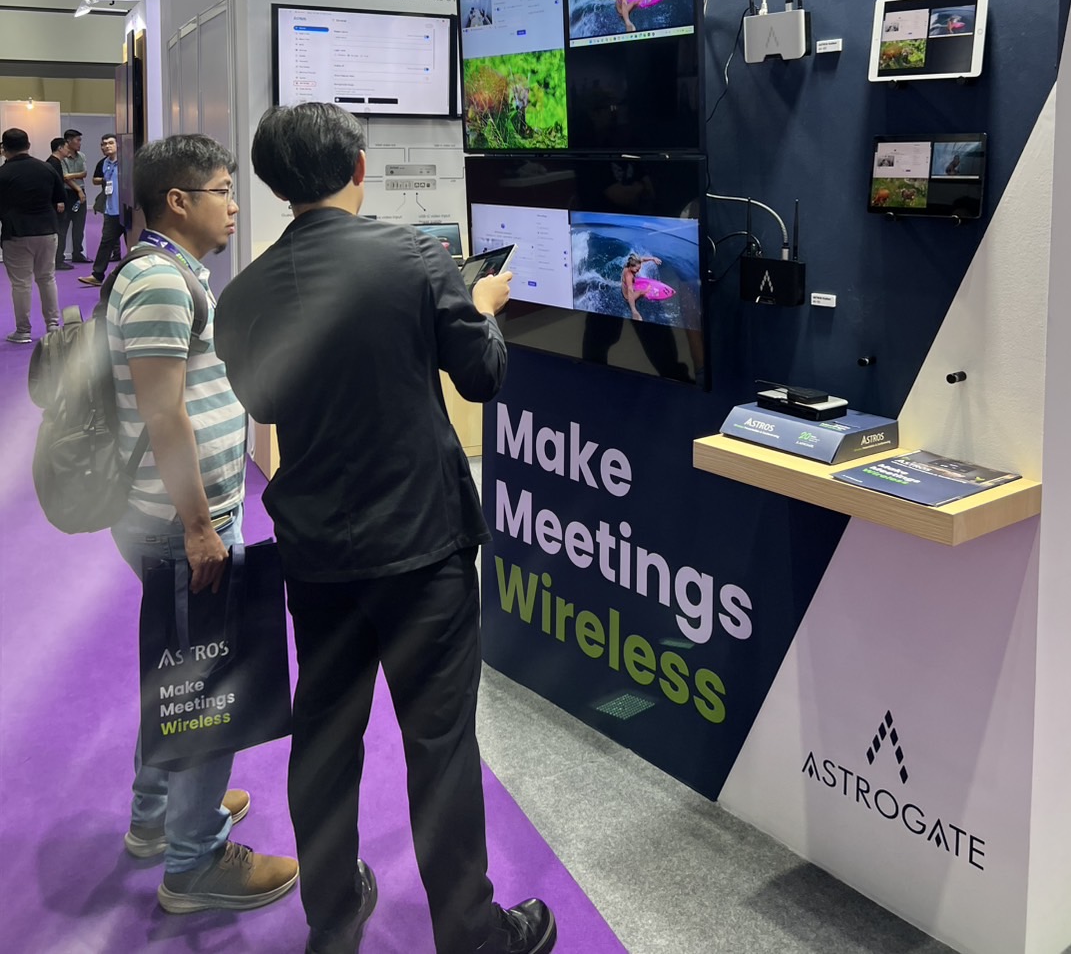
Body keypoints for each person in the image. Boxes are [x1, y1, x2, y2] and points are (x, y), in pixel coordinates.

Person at [214, 103, 555, 954]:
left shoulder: (244, 293)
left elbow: (263, 401)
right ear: (359, 168)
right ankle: (472, 936)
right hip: (423, 544)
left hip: (316, 551)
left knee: (326, 736)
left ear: (273, 184)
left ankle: (332, 915)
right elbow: (481, 377)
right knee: (440, 743)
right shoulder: (416, 256)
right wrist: (480, 305)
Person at [107, 134, 298, 916]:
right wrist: (198, 526)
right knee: (204, 687)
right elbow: (164, 414)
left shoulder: (170, 272)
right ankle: (194, 861)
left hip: (180, 516)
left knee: (178, 670)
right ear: (178, 201)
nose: (233, 205)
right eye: (222, 189)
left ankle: (157, 816)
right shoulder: (159, 280)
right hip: (181, 522)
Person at [0, 127, 66, 343]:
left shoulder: (3, 174)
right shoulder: (47, 168)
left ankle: (23, 331)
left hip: (16, 233)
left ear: (4, 149)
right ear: (28, 145)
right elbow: (60, 198)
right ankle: (53, 325)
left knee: (21, 284)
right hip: (47, 230)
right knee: (47, 278)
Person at [79, 133, 124, 286]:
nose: (106, 146)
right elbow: (96, 179)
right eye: (103, 144)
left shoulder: (127, 162)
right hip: (111, 210)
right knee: (106, 243)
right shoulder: (104, 163)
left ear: (118, 145)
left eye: (110, 143)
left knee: (133, 245)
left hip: (128, 209)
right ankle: (97, 275)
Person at [58, 127, 89, 264]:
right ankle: (59, 257)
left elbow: (84, 173)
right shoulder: (63, 158)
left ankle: (78, 253)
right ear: (69, 141)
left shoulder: (81, 156)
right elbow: (65, 177)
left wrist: (72, 176)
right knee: (63, 226)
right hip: (68, 194)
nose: (79, 143)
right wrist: (78, 189)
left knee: (79, 226)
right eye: (78, 140)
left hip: (80, 194)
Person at [46, 138, 72, 270]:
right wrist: (59, 200)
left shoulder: (54, 162)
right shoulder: (53, 163)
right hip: (56, 204)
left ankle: (57, 259)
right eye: (66, 147)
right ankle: (58, 260)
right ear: (60, 148)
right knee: (60, 232)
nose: (68, 150)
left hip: (55, 203)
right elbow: (55, 184)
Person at [621, 251, 661, 321]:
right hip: (627, 297)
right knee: (643, 292)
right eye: (637, 269)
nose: (638, 271)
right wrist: (634, 310)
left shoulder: (629, 264)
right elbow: (630, 291)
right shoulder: (629, 276)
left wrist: (653, 258)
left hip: (623, 288)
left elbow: (642, 259)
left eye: (639, 269)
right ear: (631, 266)